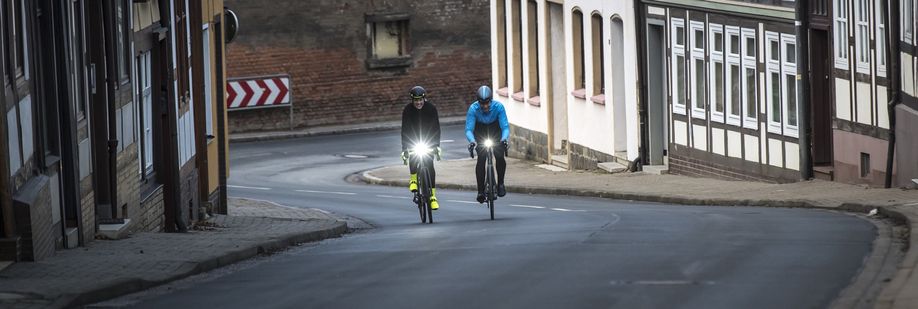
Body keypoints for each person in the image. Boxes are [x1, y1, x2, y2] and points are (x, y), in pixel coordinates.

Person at [465, 85, 509, 203]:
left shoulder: (498, 107)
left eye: (487, 103)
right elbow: (469, 129)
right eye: (482, 103)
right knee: (481, 158)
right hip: (481, 132)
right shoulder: (473, 109)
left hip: (495, 131)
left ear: (491, 100)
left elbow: (505, 127)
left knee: (499, 156)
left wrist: (504, 139)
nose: (485, 106)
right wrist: (472, 141)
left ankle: (500, 183)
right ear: (478, 102)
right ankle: (480, 191)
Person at [401, 86, 442, 210]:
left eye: (420, 100)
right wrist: (405, 148)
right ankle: (413, 178)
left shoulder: (431, 109)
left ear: (424, 99)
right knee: (413, 154)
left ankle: (433, 196)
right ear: (412, 100)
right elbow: (405, 130)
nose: (418, 103)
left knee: (430, 165)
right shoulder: (407, 110)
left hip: (428, 139)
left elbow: (436, 128)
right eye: (416, 100)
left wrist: (436, 146)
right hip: (413, 138)